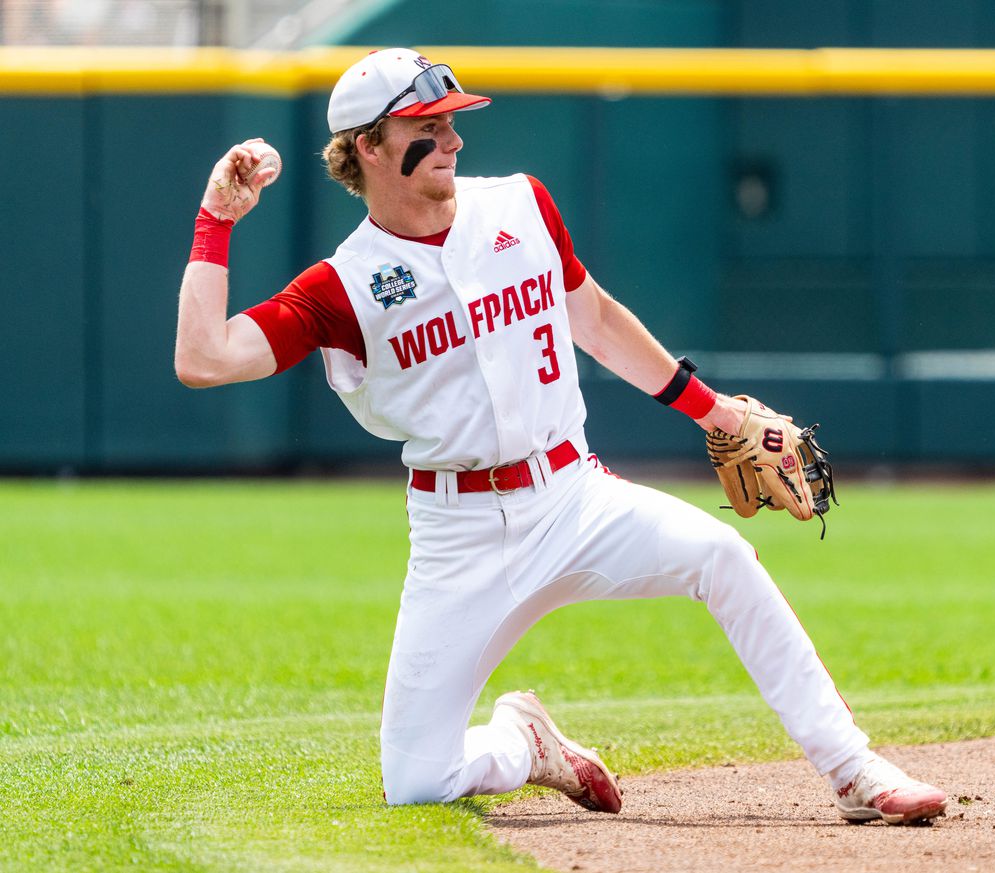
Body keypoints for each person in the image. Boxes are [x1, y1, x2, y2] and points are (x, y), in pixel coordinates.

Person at [174, 48, 949, 825]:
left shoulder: (518, 204)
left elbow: (599, 322)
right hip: (458, 535)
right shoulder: (342, 285)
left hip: (573, 494)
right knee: (416, 780)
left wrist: (714, 411)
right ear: (367, 147)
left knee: (722, 555)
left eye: (451, 124)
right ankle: (524, 743)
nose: (452, 140)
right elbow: (203, 359)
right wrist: (217, 222)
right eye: (428, 126)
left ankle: (854, 769)